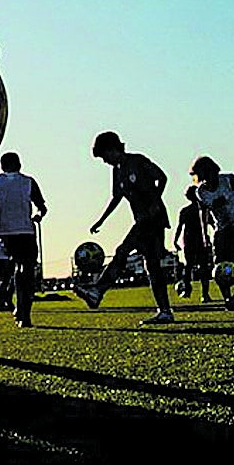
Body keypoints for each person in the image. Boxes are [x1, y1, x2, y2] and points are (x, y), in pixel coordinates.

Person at [74, 132, 175, 325]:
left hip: (153, 219)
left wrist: (155, 201)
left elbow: (162, 177)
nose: (105, 161)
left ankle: (98, 291)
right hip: (141, 220)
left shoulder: (137, 161)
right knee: (151, 265)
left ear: (113, 149)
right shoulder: (117, 170)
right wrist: (101, 221)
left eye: (105, 156)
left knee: (123, 250)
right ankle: (165, 311)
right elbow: (116, 197)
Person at [0, 149, 46, 327]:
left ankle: (19, 310)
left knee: (16, 266)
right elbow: (42, 207)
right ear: (19, 165)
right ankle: (24, 311)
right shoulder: (29, 182)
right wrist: (38, 216)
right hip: (26, 231)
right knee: (26, 269)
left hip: (4, 232)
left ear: (1, 166)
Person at [188, 156, 234, 308]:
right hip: (221, 227)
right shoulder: (201, 192)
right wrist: (205, 234)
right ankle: (227, 297)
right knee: (219, 262)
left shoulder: (229, 180)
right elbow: (204, 213)